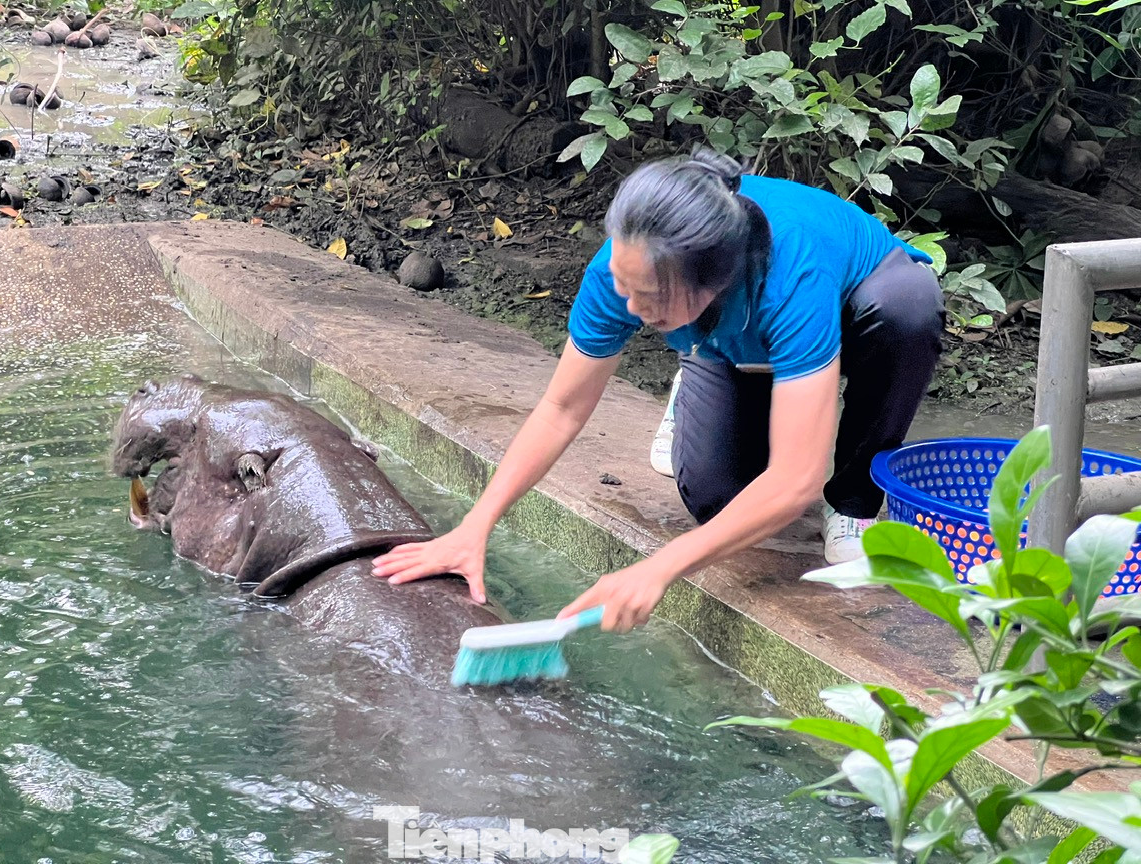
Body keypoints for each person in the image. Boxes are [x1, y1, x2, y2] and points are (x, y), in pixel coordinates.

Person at [372, 148, 945, 633]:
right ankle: (705, 372)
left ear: (712, 283)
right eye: (624, 286)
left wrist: (658, 568)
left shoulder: (792, 273)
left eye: (647, 297)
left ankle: (855, 501)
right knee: (719, 502)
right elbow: (561, 407)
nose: (628, 307)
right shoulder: (622, 268)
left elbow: (795, 482)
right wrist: (474, 527)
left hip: (856, 307)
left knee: (907, 308)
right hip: (726, 337)